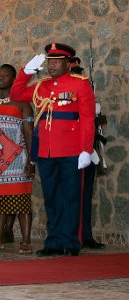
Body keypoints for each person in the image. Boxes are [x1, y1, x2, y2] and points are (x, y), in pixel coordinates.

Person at [10, 43, 95, 256]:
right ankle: (54, 242)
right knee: (51, 197)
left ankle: (72, 242)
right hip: (47, 151)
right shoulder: (42, 86)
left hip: (72, 150)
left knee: (71, 197)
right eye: (50, 61)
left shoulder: (80, 84)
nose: (52, 65)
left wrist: (86, 149)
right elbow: (17, 94)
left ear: (68, 63)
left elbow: (87, 118)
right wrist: (25, 72)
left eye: (57, 61)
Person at [0, 64, 34, 254]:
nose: (0, 77)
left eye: (6, 75)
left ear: (13, 80)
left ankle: (26, 240)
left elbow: (29, 132)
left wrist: (31, 160)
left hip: (17, 159)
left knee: (21, 200)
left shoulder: (22, 103)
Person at [69, 57, 105, 250]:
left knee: (84, 196)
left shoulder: (86, 94)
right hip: (68, 152)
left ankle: (85, 235)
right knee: (69, 197)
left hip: (87, 152)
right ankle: (71, 235)